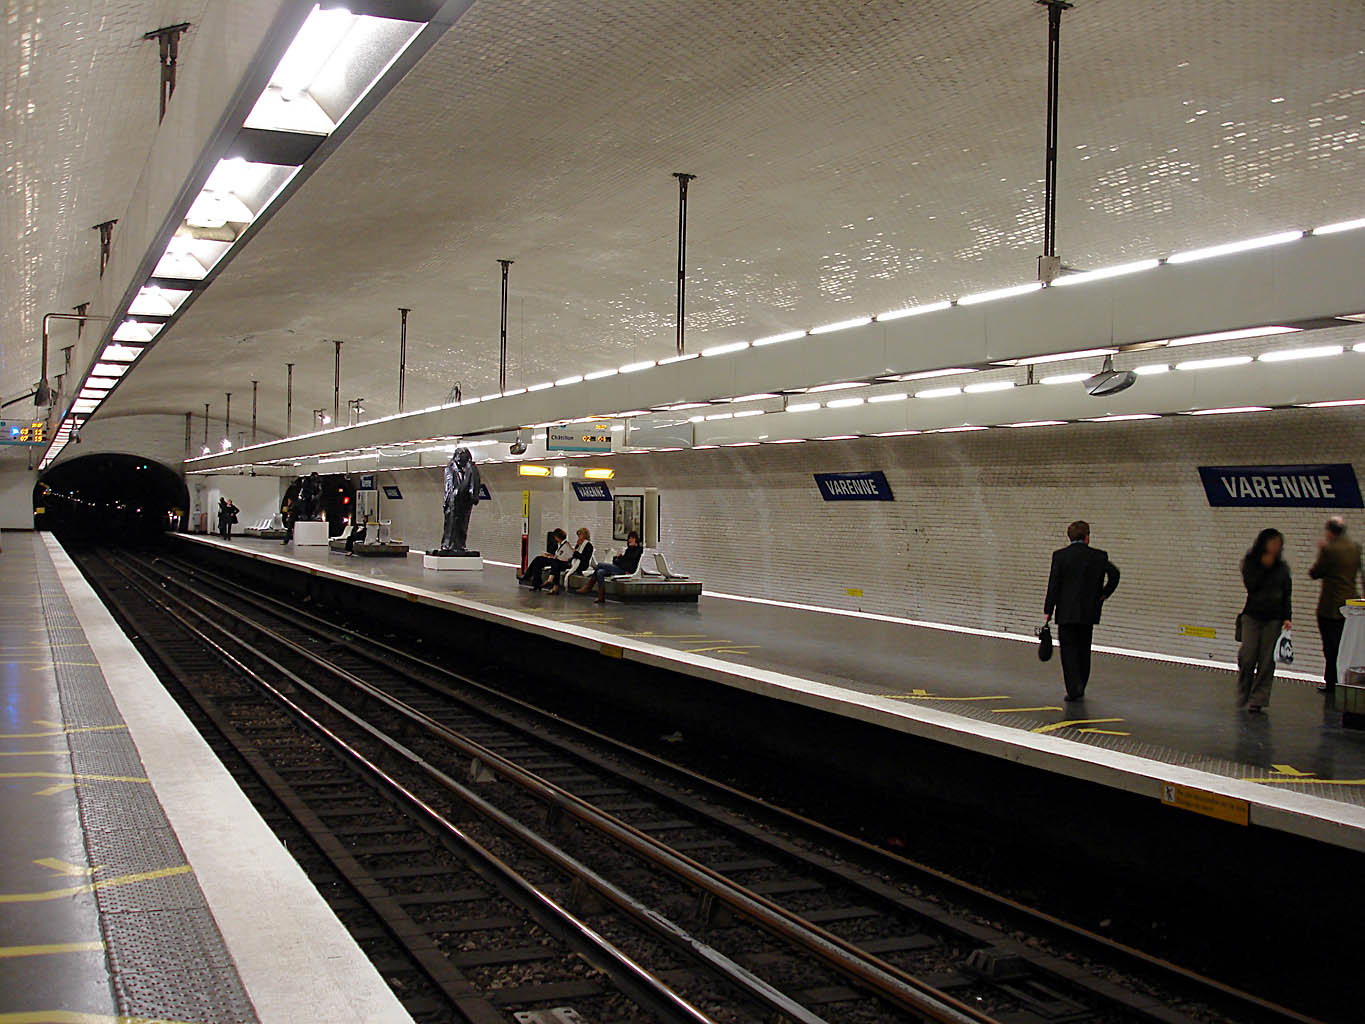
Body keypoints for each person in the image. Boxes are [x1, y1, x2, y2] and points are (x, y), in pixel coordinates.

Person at [1043, 520, 1120, 701]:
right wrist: (1102, 595)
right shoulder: (1099, 556)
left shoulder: (1060, 556)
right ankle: (1082, 686)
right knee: (1084, 650)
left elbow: (1054, 584)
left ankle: (1072, 689)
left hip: (1065, 612)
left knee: (1068, 651)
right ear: (1087, 537)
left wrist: (1048, 610)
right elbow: (1115, 575)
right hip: (1088, 612)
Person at [1238, 528, 1292, 713]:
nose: (1276, 547)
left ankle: (1258, 699)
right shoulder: (1251, 562)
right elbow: (1251, 586)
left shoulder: (1282, 568)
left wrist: (1287, 617)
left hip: (1274, 618)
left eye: (1278, 543)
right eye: (1272, 542)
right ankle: (1244, 687)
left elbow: (1286, 593)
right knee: (1248, 654)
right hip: (1252, 615)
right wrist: (1263, 568)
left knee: (1267, 659)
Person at [1309, 517, 1362, 694]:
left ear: (1330, 532)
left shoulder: (1329, 549)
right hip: (1349, 603)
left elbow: (1315, 573)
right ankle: (1342, 680)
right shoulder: (1355, 548)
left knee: (1330, 646)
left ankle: (1331, 681)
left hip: (1330, 606)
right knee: (1344, 645)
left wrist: (1321, 552)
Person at [578, 531, 643, 603]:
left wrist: (621, 559)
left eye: (632, 538)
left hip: (625, 570)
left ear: (636, 539)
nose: (630, 540)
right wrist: (618, 558)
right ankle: (601, 596)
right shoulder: (628, 550)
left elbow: (629, 562)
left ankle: (589, 586)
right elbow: (617, 561)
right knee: (600, 572)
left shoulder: (638, 550)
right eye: (629, 538)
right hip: (619, 568)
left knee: (600, 565)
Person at [549, 528, 594, 595]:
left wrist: (574, 552)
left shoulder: (589, 546)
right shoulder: (579, 544)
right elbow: (573, 555)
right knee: (556, 562)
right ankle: (555, 585)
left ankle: (554, 584)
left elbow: (584, 558)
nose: (578, 537)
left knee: (556, 564)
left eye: (580, 535)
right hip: (573, 563)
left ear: (584, 536)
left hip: (581, 565)